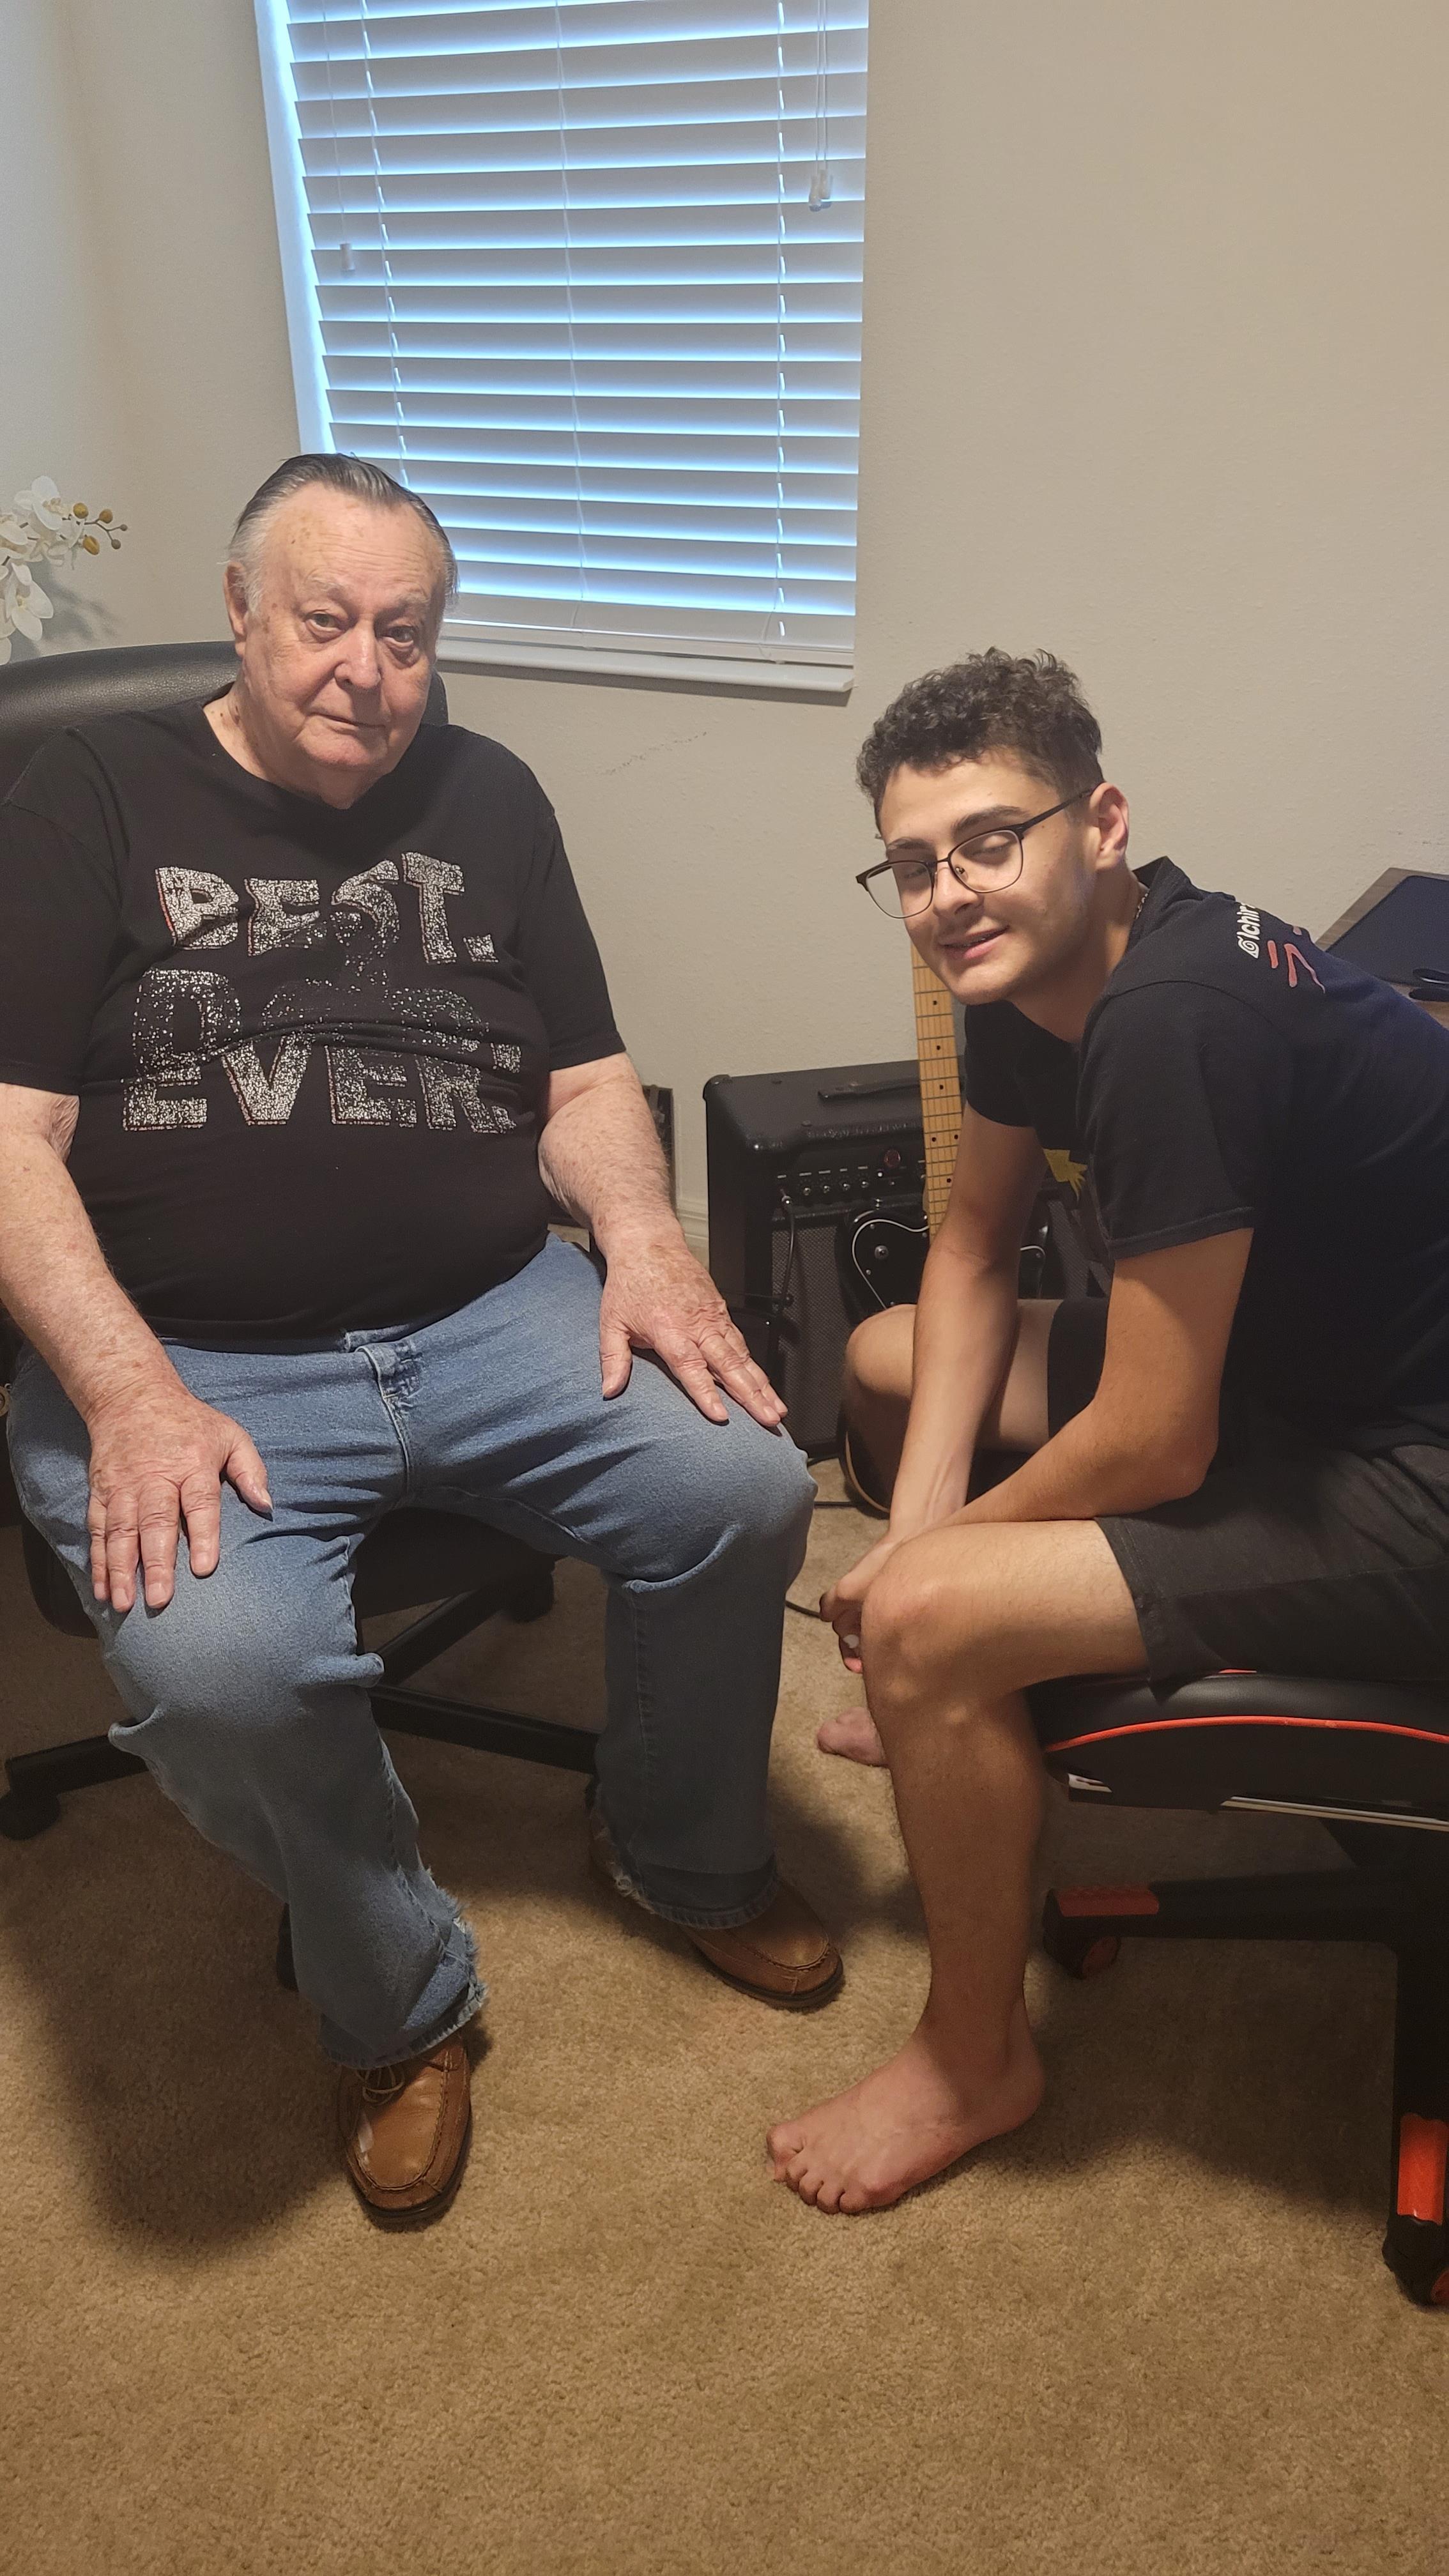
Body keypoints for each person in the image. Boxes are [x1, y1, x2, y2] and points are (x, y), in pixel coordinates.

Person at [0, 452, 839, 2229]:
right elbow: (11, 1138)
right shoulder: (94, 791)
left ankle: (679, 1851)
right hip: (197, 1357)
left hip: (489, 1308)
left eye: (406, 633)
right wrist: (127, 1392)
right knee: (224, 1674)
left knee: (744, 1488)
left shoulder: (491, 793)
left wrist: (645, 1246)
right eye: (326, 620)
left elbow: (587, 1080)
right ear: (241, 612)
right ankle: (397, 1998)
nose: (364, 670)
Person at [767, 648, 1449, 2214]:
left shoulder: (1174, 1021)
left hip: (1412, 1467)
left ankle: (974, 2060)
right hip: (1298, 1381)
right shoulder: (1030, 983)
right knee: (885, 1363)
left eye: (989, 843)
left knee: (929, 1619)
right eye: (915, 866)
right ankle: (955, 1693)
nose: (950, 895)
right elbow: (966, 1248)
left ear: (1102, 823)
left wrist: (921, 1582)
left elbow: (1154, 1445)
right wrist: (917, 1521)